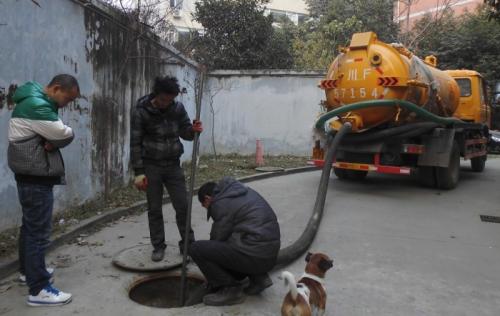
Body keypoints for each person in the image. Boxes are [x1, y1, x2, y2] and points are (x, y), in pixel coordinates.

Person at [8, 74, 79, 306]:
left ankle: (28, 271)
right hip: (35, 178)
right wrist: (57, 137)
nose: (66, 105)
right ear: (56, 88)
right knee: (38, 233)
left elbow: (55, 136)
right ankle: (38, 290)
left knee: (30, 228)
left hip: (28, 176)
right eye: (66, 99)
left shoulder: (32, 99)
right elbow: (64, 133)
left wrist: (51, 138)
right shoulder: (38, 106)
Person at [130, 76, 203, 262]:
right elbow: (135, 143)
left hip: (173, 166)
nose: (166, 104)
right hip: (151, 166)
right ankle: (158, 246)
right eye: (163, 100)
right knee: (154, 209)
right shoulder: (141, 111)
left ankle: (188, 245)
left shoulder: (177, 109)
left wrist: (193, 131)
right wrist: (139, 172)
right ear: (156, 94)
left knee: (183, 206)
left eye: (170, 100)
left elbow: (186, 133)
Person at [189, 177, 281, 306]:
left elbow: (218, 238)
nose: (208, 209)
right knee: (240, 239)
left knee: (196, 249)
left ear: (208, 198)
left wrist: (213, 275)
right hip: (269, 255)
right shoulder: (239, 192)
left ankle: (230, 290)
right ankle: (259, 278)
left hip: (256, 255)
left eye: (205, 206)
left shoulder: (220, 203)